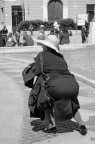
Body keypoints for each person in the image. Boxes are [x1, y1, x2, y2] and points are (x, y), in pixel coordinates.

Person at [34, 35, 87, 135]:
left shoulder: (41, 55)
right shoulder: (61, 56)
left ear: (46, 46)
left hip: (56, 86)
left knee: (46, 100)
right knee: (73, 105)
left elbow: (37, 72)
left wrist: (37, 62)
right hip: (72, 84)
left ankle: (51, 126)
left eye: (43, 45)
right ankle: (82, 124)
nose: (42, 47)